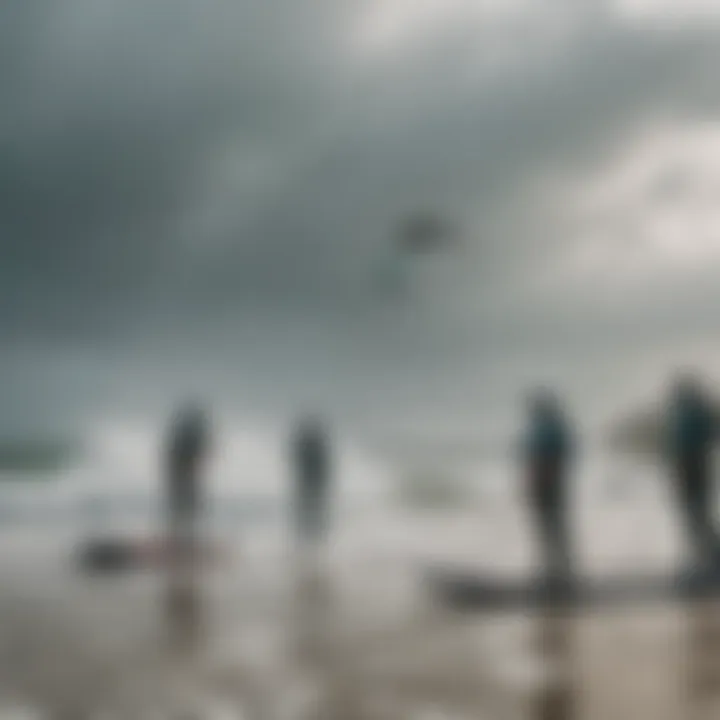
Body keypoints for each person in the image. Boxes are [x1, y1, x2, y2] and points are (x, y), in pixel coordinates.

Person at [666, 375, 718, 569]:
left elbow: (709, 435)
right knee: (694, 513)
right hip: (687, 465)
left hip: (694, 464)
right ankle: (704, 557)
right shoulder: (686, 413)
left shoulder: (694, 412)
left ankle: (709, 558)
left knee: (697, 512)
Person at [523, 390, 575, 581]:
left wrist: (542, 480)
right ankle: (554, 568)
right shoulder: (547, 428)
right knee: (549, 526)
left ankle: (559, 570)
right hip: (546, 482)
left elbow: (552, 460)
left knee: (552, 526)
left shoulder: (549, 429)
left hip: (549, 483)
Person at [165, 403, 210, 559]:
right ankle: (184, 543)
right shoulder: (190, 436)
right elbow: (196, 458)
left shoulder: (184, 436)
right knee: (186, 511)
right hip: (184, 478)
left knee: (182, 512)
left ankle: (182, 543)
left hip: (182, 478)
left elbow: (172, 458)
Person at [292, 416, 332, 545]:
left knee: (308, 509)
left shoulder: (307, 446)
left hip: (309, 482)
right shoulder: (316, 446)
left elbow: (299, 465)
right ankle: (314, 539)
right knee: (314, 509)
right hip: (313, 481)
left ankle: (310, 539)